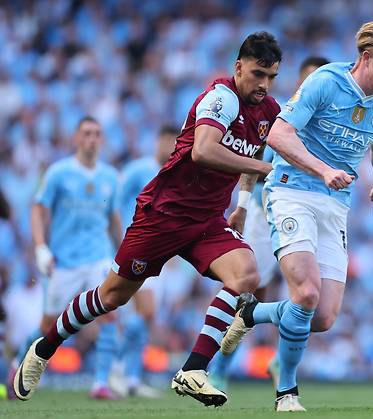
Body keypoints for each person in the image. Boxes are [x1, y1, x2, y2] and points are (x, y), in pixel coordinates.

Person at [13, 32, 282, 408]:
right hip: (164, 214)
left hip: (207, 220)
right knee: (112, 297)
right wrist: (264, 166)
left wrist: (243, 202)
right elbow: (204, 151)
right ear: (238, 67)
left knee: (246, 275)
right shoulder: (220, 98)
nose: (264, 85)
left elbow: (252, 154)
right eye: (257, 74)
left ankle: (194, 369)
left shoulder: (269, 110)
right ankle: (45, 347)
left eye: (271, 76)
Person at [220, 21, 373, 411]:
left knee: (322, 317)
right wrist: (322, 170)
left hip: (334, 207)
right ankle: (286, 392)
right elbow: (277, 135)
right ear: (366, 57)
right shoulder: (326, 81)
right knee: (305, 294)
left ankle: (252, 311)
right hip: (292, 192)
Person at [208, 56, 330, 391]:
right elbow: (253, 159)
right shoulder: (280, 116)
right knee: (250, 289)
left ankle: (279, 361)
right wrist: (244, 204)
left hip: (312, 211)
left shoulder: (332, 122)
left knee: (307, 292)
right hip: (269, 208)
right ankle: (220, 366)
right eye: (308, 80)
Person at [16, 116, 123, 400]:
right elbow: (38, 209)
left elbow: (113, 218)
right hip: (64, 260)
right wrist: (40, 247)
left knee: (109, 313)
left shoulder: (111, 176)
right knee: (48, 325)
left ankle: (101, 383)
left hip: (98, 256)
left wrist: (124, 253)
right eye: (86, 133)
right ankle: (18, 364)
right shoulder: (58, 173)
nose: (91, 138)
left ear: (102, 140)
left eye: (97, 134)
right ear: (76, 138)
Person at [114, 125, 178, 397]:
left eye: (174, 140)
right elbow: (115, 204)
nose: (170, 145)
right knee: (147, 310)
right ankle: (117, 366)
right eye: (166, 140)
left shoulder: (177, 172)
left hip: (160, 252)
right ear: (157, 141)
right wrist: (120, 240)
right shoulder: (137, 170)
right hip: (135, 248)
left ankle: (130, 377)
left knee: (145, 315)